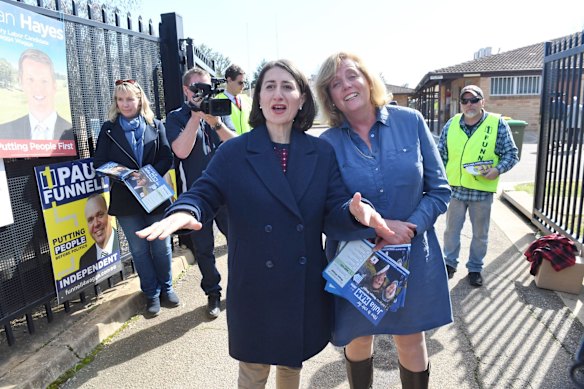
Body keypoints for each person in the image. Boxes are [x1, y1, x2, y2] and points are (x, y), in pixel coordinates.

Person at [137, 59, 395, 389]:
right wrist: (185, 210)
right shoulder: (234, 152)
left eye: (288, 86)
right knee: (253, 371)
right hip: (254, 285)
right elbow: (205, 191)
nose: (278, 93)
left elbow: (335, 209)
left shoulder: (320, 152)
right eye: (269, 86)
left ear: (301, 98)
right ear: (259, 99)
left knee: (291, 367)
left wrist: (356, 213)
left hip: (299, 285)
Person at [315, 51, 452, 389]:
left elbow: (440, 191)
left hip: (412, 253)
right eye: (335, 83)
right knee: (359, 339)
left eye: (351, 76)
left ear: (367, 79)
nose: (346, 86)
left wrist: (412, 226)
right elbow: (325, 215)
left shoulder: (411, 121)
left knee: (410, 338)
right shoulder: (327, 144)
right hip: (356, 259)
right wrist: (369, 222)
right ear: (329, 96)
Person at [93, 79, 178, 318]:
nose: (125, 104)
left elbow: (167, 157)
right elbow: (99, 162)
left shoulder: (155, 124)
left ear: (140, 99)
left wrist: (147, 175)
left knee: (161, 246)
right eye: (120, 99)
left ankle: (167, 288)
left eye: (129, 99)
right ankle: (151, 293)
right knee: (139, 250)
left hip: (155, 196)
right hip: (125, 198)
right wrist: (125, 176)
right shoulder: (108, 129)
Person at [165, 67, 236, 319]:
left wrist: (213, 120)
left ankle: (239, 289)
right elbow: (181, 151)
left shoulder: (219, 109)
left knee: (239, 242)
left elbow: (235, 144)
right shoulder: (175, 118)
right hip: (197, 198)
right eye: (197, 88)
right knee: (204, 249)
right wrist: (195, 116)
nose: (203, 93)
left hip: (228, 193)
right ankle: (213, 293)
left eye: (206, 87)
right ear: (186, 90)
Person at [438, 85, 519, 287]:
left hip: (481, 191)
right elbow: (441, 155)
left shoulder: (496, 124)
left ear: (483, 101)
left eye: (474, 100)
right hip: (455, 189)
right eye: (464, 101)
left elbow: (511, 154)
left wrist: (497, 170)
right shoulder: (452, 124)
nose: (469, 104)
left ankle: (475, 268)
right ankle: (449, 264)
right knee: (451, 231)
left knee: (480, 234)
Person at [0, 48, 73, 140]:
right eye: (30, 80)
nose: (38, 89)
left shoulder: (72, 134)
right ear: (21, 82)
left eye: (44, 81)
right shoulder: (3, 132)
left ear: (54, 85)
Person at [79, 193, 119, 270]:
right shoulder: (84, 260)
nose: (96, 224)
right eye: (90, 220)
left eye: (100, 215)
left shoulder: (123, 243)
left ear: (109, 215)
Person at [214, 64, 252, 134]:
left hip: (249, 144)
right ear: (229, 80)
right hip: (229, 143)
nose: (243, 86)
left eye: (244, 83)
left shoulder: (248, 100)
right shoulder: (217, 100)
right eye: (240, 83)